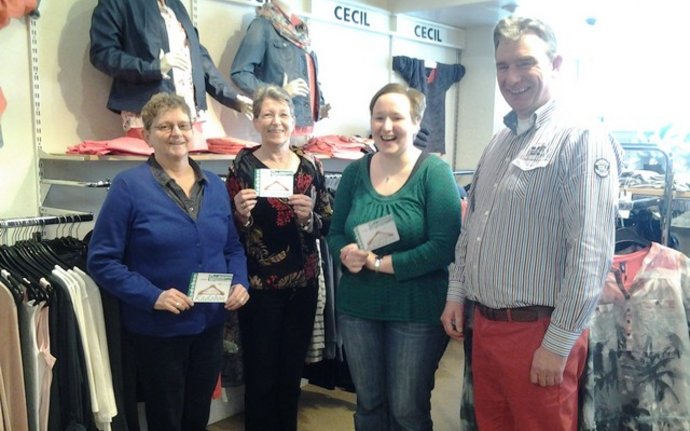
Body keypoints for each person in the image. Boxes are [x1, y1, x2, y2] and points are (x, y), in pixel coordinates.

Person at [440, 16, 622, 431]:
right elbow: (472, 228)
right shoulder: (498, 142)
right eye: (502, 66)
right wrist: (456, 293)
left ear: (555, 64)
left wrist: (558, 344)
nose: (512, 78)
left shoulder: (582, 138)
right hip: (486, 327)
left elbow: (590, 254)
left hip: (540, 332)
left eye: (525, 63)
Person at [87, 92, 250, 431]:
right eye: (164, 127)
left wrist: (240, 282)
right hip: (159, 329)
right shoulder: (128, 187)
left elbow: (232, 247)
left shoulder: (214, 185)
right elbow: (102, 261)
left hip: (210, 323)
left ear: (193, 131)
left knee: (197, 415)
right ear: (147, 135)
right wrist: (154, 296)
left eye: (183, 125)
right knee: (165, 419)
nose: (176, 133)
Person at [327, 83, 462, 430]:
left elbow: (444, 245)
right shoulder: (354, 173)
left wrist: (380, 263)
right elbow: (335, 232)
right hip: (358, 309)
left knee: (407, 410)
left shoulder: (434, 173)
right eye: (379, 118)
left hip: (415, 311)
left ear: (416, 123)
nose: (386, 127)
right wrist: (345, 253)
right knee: (368, 405)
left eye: (397, 118)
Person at [226, 84, 332, 431]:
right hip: (260, 287)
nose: (276, 121)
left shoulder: (312, 165)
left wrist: (309, 218)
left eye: (283, 114)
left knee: (290, 373)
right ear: (255, 121)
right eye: (267, 114)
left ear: (293, 119)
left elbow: (327, 223)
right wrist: (240, 215)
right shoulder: (242, 165)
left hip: (303, 285)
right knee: (260, 376)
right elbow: (228, 232)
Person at [89, 0, 252, 144]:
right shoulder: (119, 3)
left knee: (190, 168)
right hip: (148, 114)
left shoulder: (176, 5)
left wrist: (232, 98)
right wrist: (153, 68)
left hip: (189, 115)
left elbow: (197, 57)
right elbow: (102, 53)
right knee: (153, 168)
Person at [230, 0, 329, 137]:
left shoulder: (302, 32)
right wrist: (279, 93)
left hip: (307, 125)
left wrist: (321, 104)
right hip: (279, 124)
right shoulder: (262, 26)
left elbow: (311, 76)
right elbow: (240, 73)